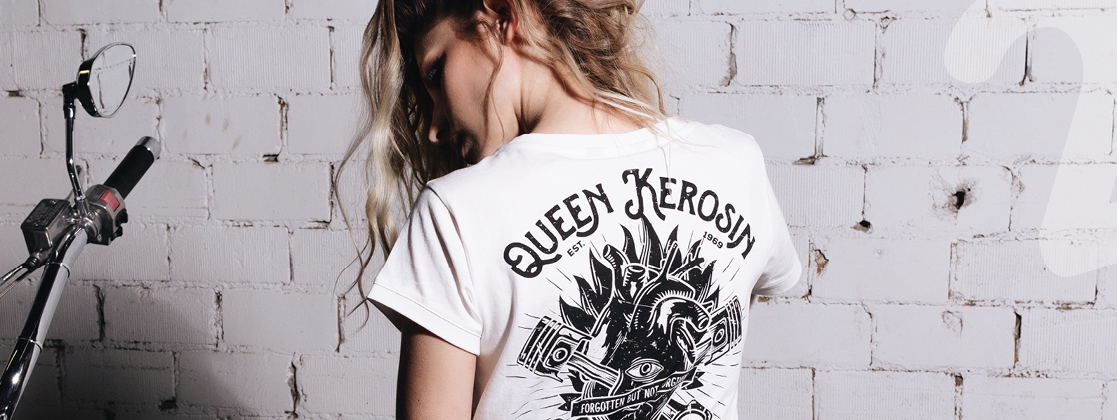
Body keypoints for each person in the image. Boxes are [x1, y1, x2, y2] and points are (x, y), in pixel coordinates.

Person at [339, 0, 803, 418]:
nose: (435, 126)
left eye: (435, 72)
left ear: (499, 16)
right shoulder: (733, 163)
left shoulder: (452, 212)